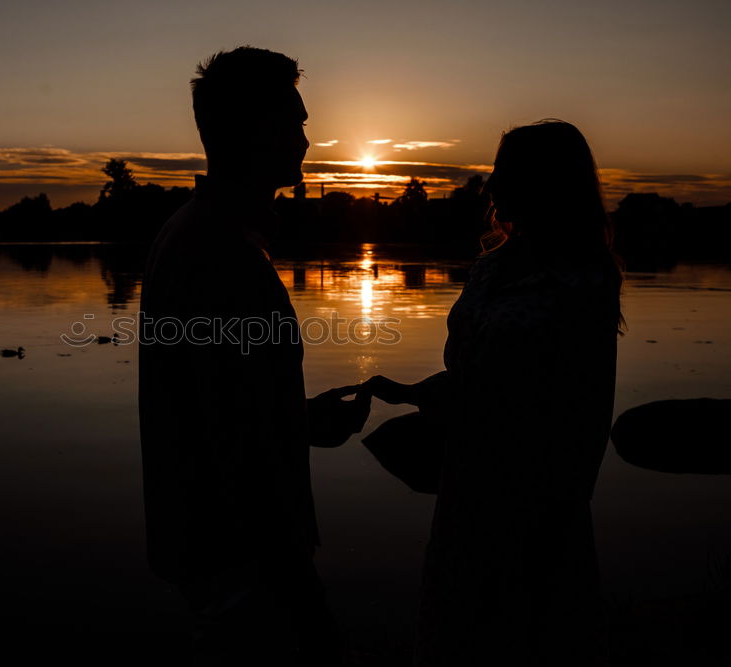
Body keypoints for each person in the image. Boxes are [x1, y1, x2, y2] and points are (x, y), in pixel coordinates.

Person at [361, 119, 624, 666]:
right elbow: (472, 374)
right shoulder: (489, 267)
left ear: (546, 184)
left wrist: (562, 505)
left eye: (505, 173)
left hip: (538, 498)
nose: (491, 186)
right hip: (466, 487)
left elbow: (588, 404)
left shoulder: (586, 279)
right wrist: (411, 393)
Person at [138, 46, 369, 665]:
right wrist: (298, 586)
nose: (306, 141)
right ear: (257, 131)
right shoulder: (219, 254)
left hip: (215, 548)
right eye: (296, 123)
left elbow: (224, 401)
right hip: (243, 558)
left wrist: (302, 420)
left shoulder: (196, 233)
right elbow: (233, 442)